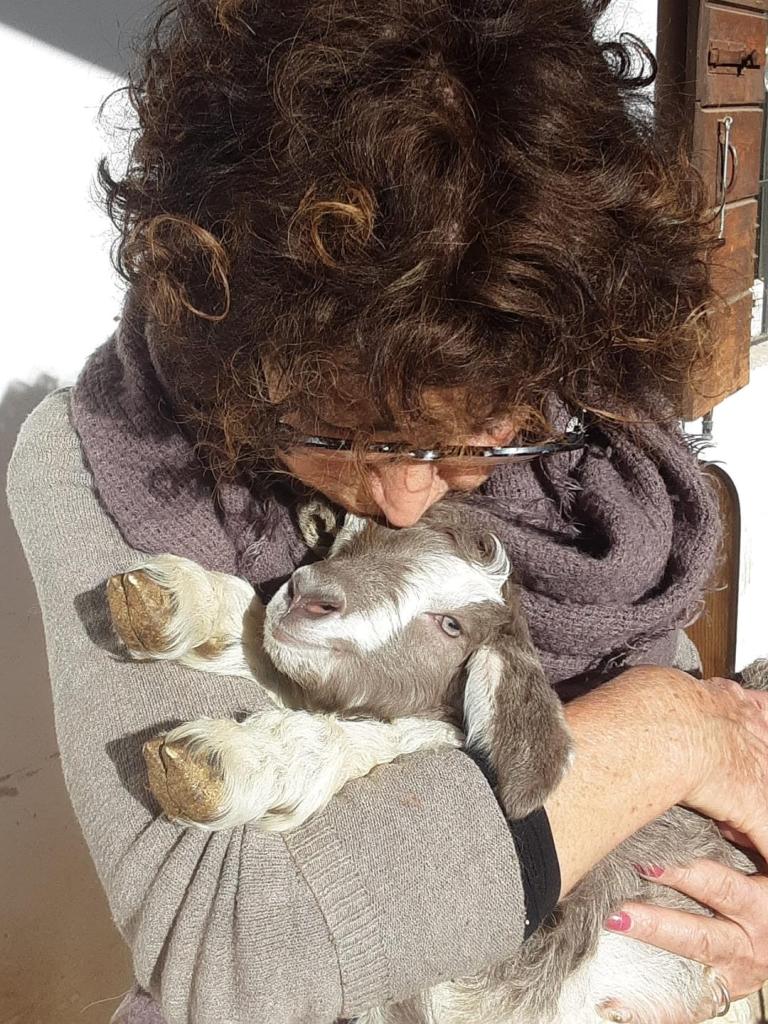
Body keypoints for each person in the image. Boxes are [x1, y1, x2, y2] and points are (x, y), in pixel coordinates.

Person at [7, 1, 768, 1022]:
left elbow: (720, 802)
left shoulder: (581, 461)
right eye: (347, 432)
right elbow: (235, 944)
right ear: (243, 356)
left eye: (479, 437)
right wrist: (674, 733)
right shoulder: (110, 460)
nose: (408, 497)